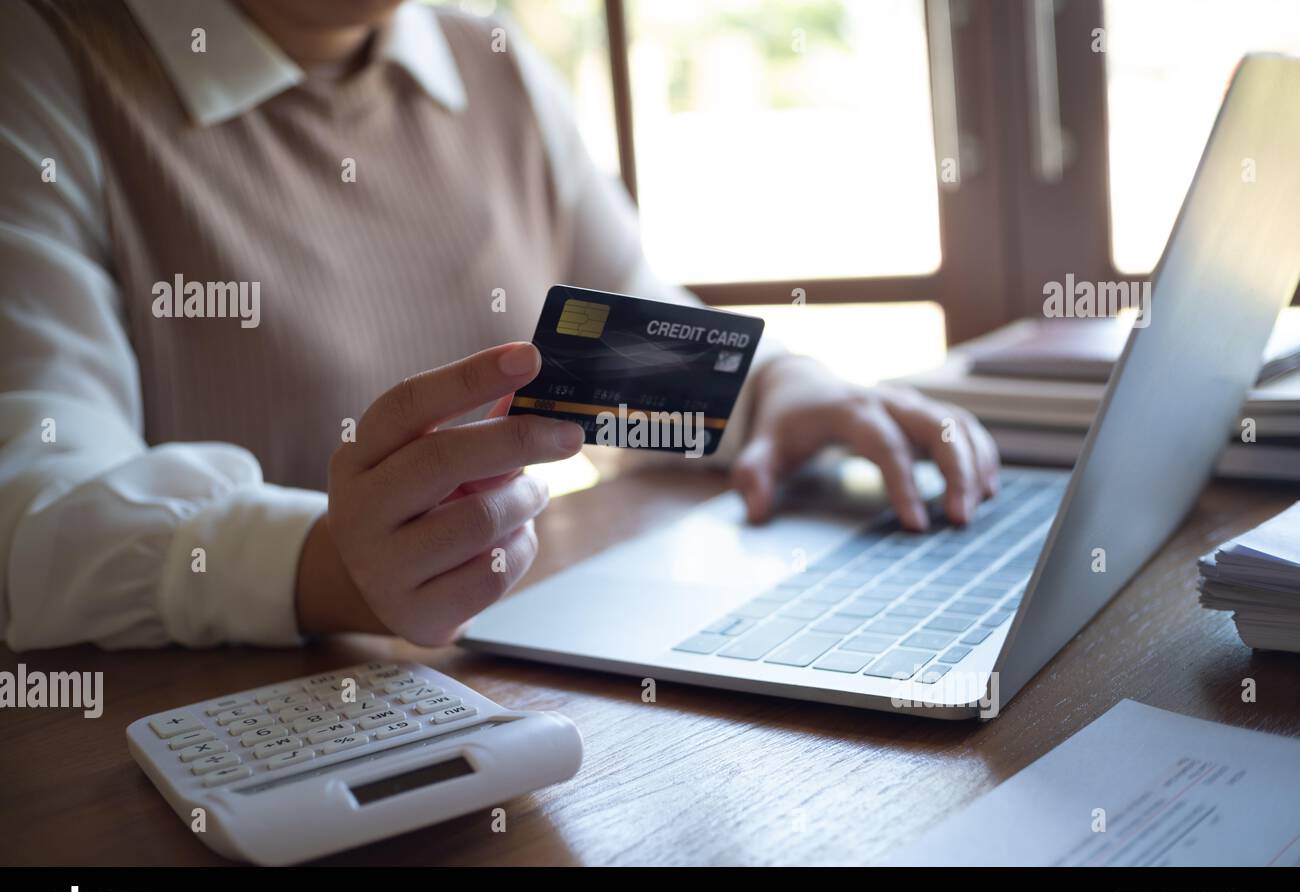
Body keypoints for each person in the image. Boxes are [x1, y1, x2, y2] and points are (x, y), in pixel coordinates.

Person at [0, 0, 999, 652]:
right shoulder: (43, 58)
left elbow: (632, 330)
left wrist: (782, 385)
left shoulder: (487, 56)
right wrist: (313, 567)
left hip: (493, 704)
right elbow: (31, 513)